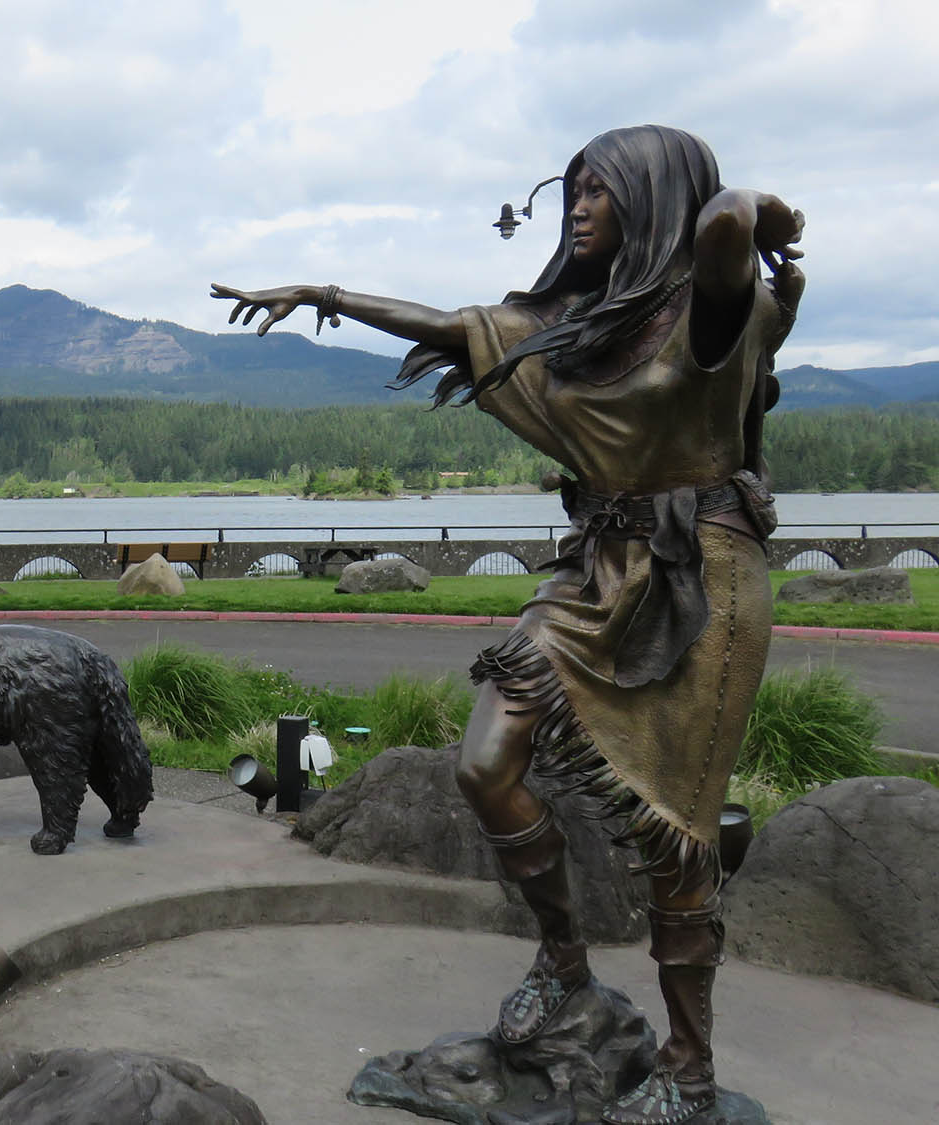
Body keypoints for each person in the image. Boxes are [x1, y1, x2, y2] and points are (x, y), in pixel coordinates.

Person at [213, 124, 803, 1124]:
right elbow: (447, 325)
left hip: (701, 578)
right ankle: (561, 962)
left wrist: (772, 219)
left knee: (675, 836)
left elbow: (727, 221)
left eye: (597, 192)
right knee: (485, 761)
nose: (575, 207)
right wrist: (319, 295)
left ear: (650, 201)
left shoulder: (706, 310)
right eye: (568, 191)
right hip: (596, 570)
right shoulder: (577, 324)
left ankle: (687, 1066)